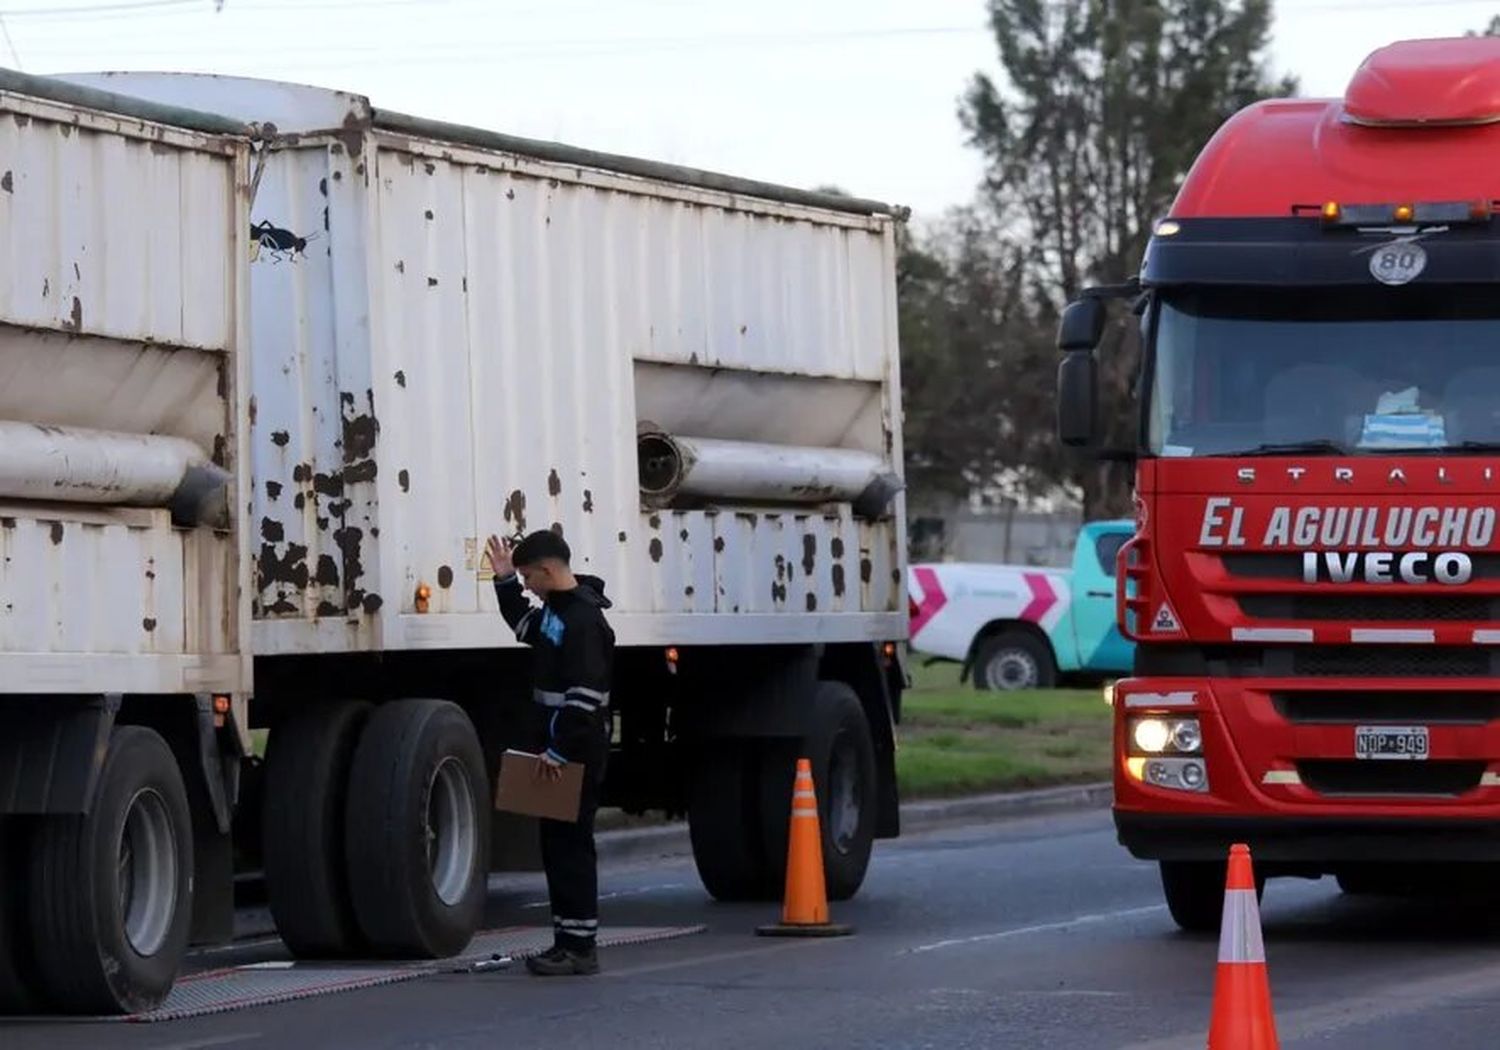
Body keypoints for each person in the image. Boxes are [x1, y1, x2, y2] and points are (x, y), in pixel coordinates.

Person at [485, 529, 615, 977]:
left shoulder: (583, 620)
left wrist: (559, 753)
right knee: (557, 845)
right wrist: (502, 581)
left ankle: (580, 947)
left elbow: (584, 697)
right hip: (557, 750)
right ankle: (567, 941)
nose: (525, 585)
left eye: (525, 576)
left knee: (571, 847)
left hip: (573, 752)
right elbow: (525, 627)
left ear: (547, 570)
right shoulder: (557, 612)